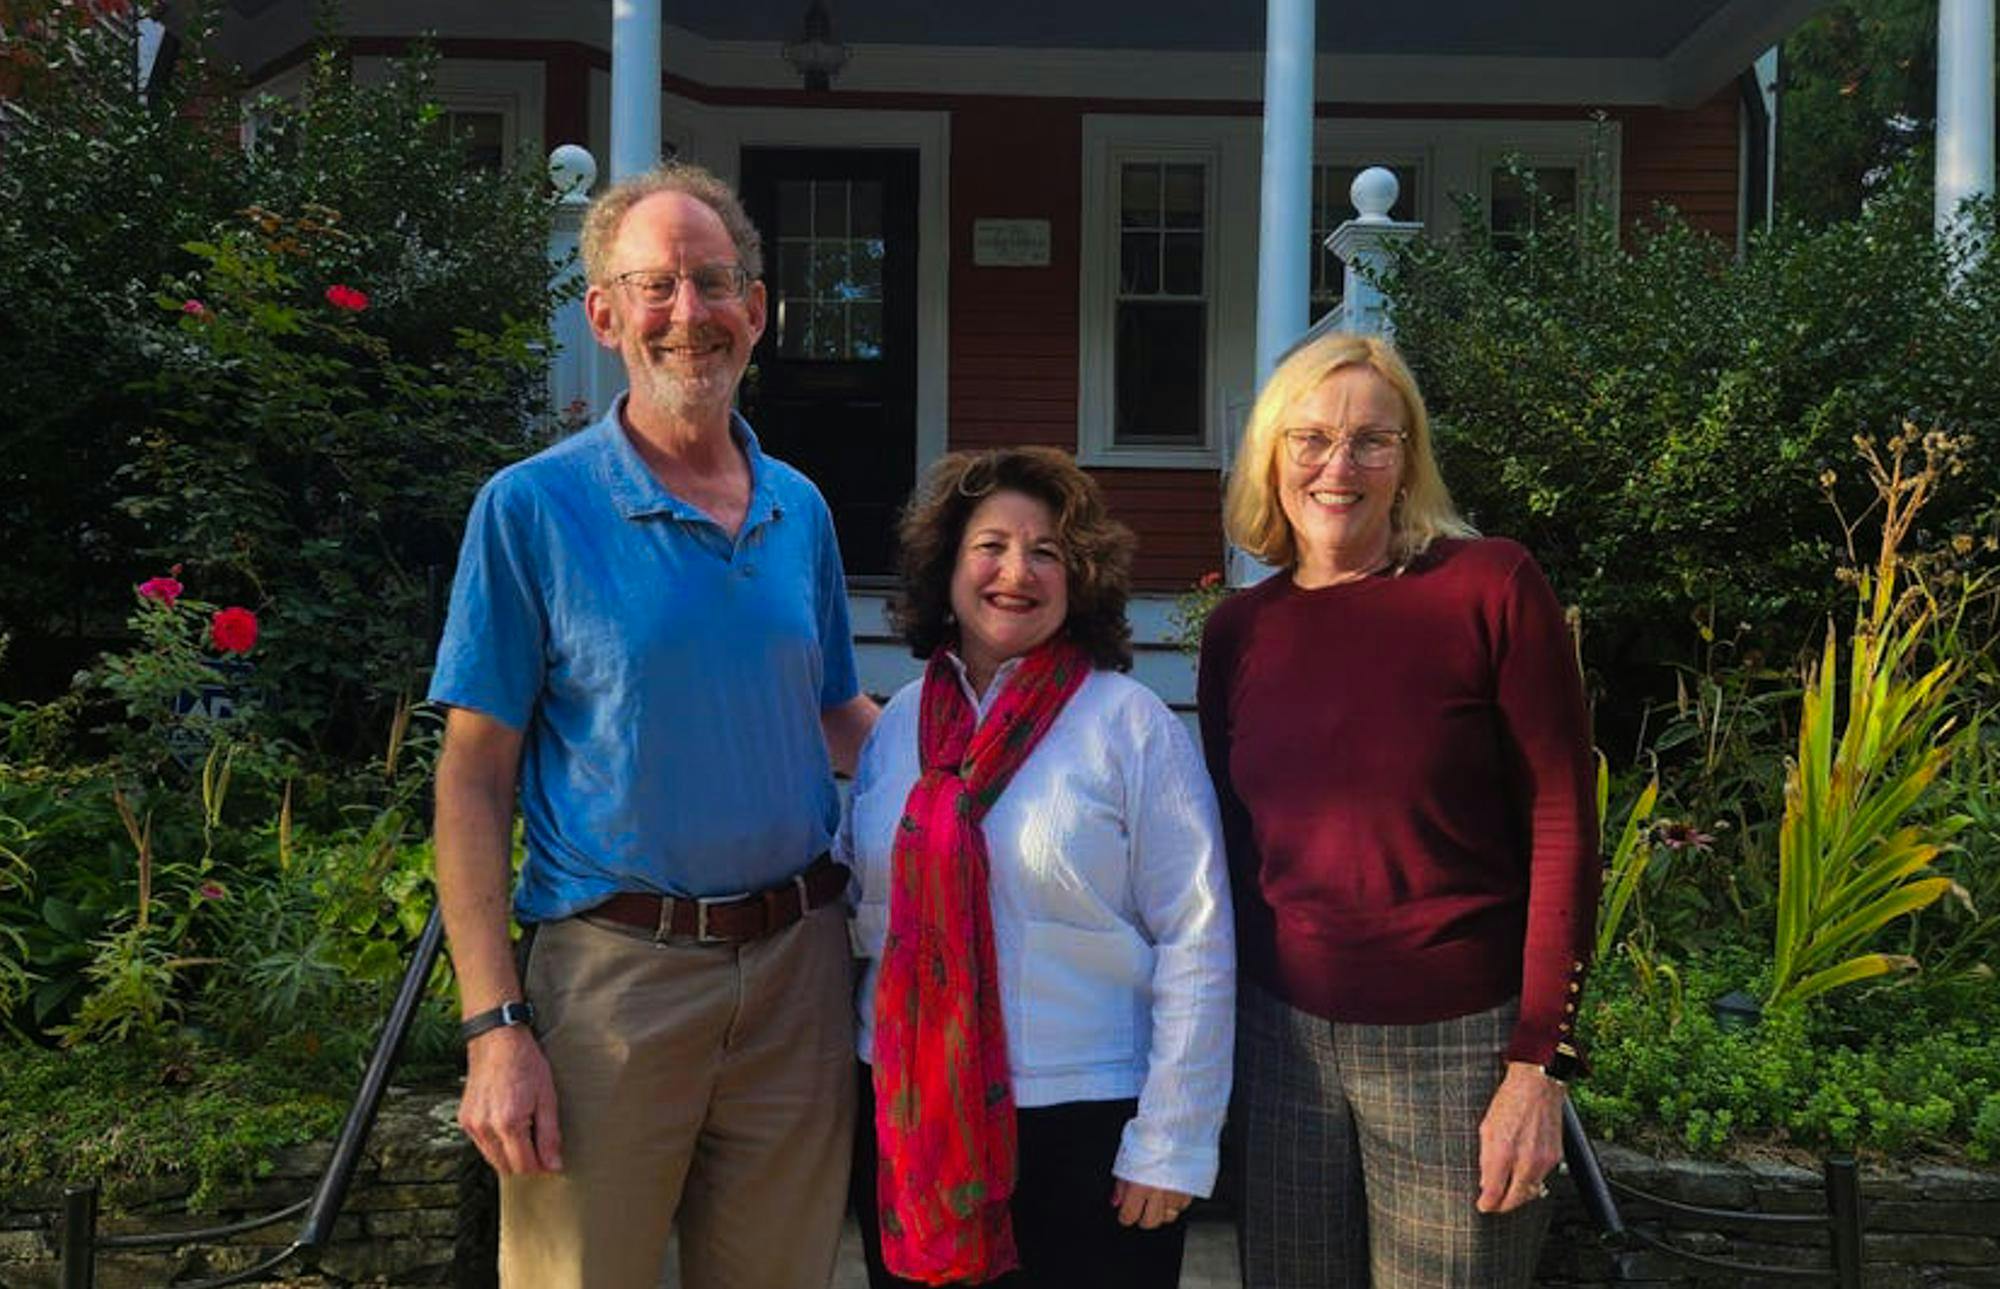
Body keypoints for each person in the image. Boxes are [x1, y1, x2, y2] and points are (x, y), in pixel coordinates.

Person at [428, 161, 878, 1289]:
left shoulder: (800, 508)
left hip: (796, 977)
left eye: (714, 284)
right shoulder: (530, 508)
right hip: (614, 982)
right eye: (656, 286)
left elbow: (837, 713)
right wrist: (494, 1027)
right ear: (604, 313)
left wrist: (996, 772)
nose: (689, 314)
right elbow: (473, 776)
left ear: (758, 309)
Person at [1198, 332, 1598, 1288]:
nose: (1338, 466)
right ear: (1271, 456)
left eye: (1372, 441)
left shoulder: (1489, 586)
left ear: (1408, 460)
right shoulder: (1239, 633)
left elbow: (1563, 826)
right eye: (1310, 438)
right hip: (1283, 1043)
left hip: (1457, 1049)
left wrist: (1539, 1065)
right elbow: (1232, 849)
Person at [841, 447, 1235, 1289]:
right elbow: (862, 918)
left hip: (1088, 1130)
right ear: (946, 565)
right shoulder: (897, 730)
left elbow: (1197, 937)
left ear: (1080, 575)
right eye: (990, 545)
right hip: (914, 1127)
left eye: (1046, 551)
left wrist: (1173, 1138)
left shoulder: (1130, 725)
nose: (1015, 571)